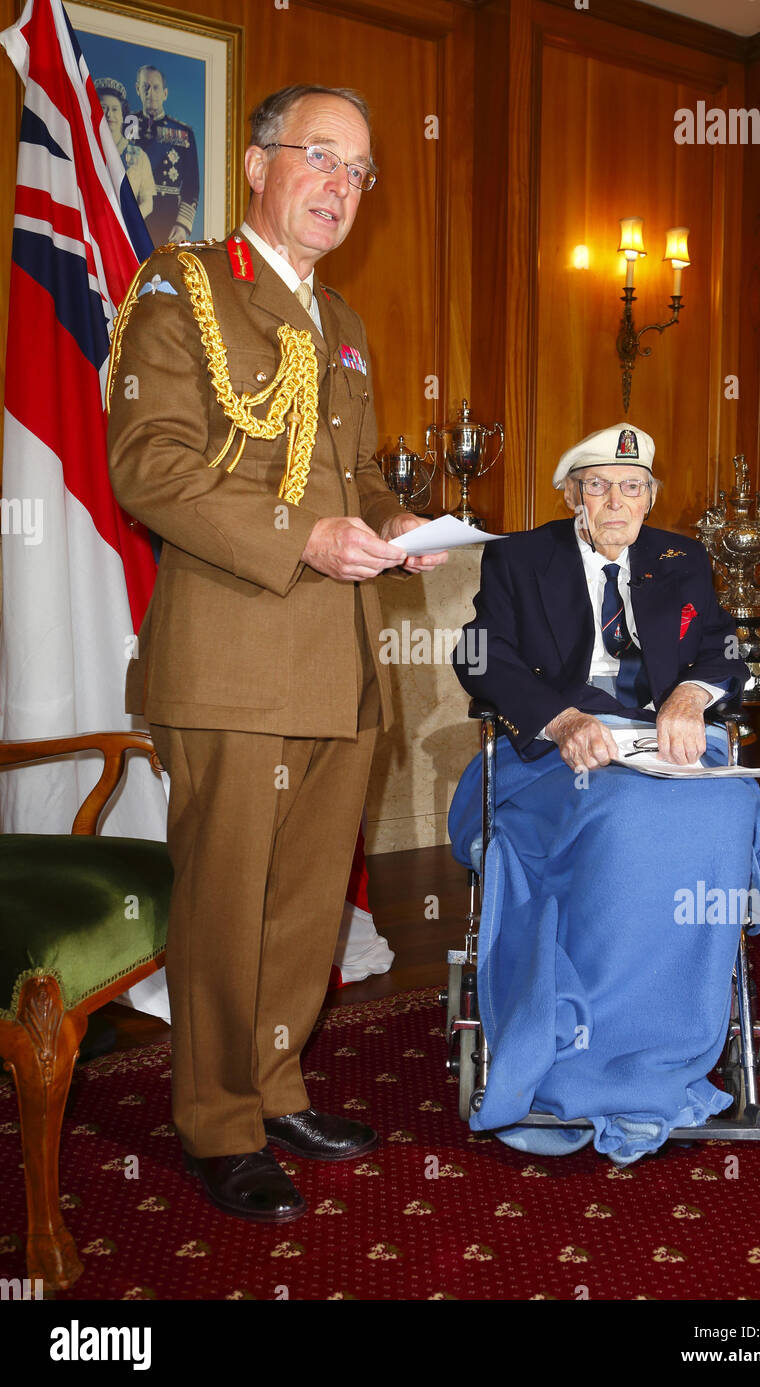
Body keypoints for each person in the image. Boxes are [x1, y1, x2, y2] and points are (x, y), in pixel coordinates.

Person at [107, 84, 446, 1222]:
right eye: (320, 156)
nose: (341, 186)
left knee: (305, 904)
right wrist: (303, 535)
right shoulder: (186, 286)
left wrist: (389, 528)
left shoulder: (341, 322)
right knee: (224, 900)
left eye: (360, 170)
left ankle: (277, 1082)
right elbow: (148, 464)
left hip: (340, 662)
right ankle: (214, 1120)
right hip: (234, 659)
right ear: (256, 166)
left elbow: (338, 482)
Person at [448, 422, 760, 1164]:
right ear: (573, 496)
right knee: (624, 818)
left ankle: (678, 1036)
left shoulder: (679, 558)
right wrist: (560, 719)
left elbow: (723, 645)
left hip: (664, 744)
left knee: (727, 806)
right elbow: (476, 654)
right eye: (598, 486)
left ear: (651, 496)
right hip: (558, 749)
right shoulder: (519, 557)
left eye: (633, 488)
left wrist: (691, 696)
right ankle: (589, 1054)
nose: (617, 501)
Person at [129, 64, 199, 245]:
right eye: (145, 87)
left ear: (165, 93)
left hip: (166, 218)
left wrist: (182, 225)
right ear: (138, 89)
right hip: (133, 212)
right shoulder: (127, 126)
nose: (150, 92)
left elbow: (192, 185)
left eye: (156, 87)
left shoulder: (182, 132)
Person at [95, 77, 155, 219]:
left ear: (123, 116)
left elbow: (148, 202)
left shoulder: (139, 156)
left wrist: (129, 222)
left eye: (115, 109)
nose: (109, 114)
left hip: (124, 233)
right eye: (103, 108)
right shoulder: (86, 150)